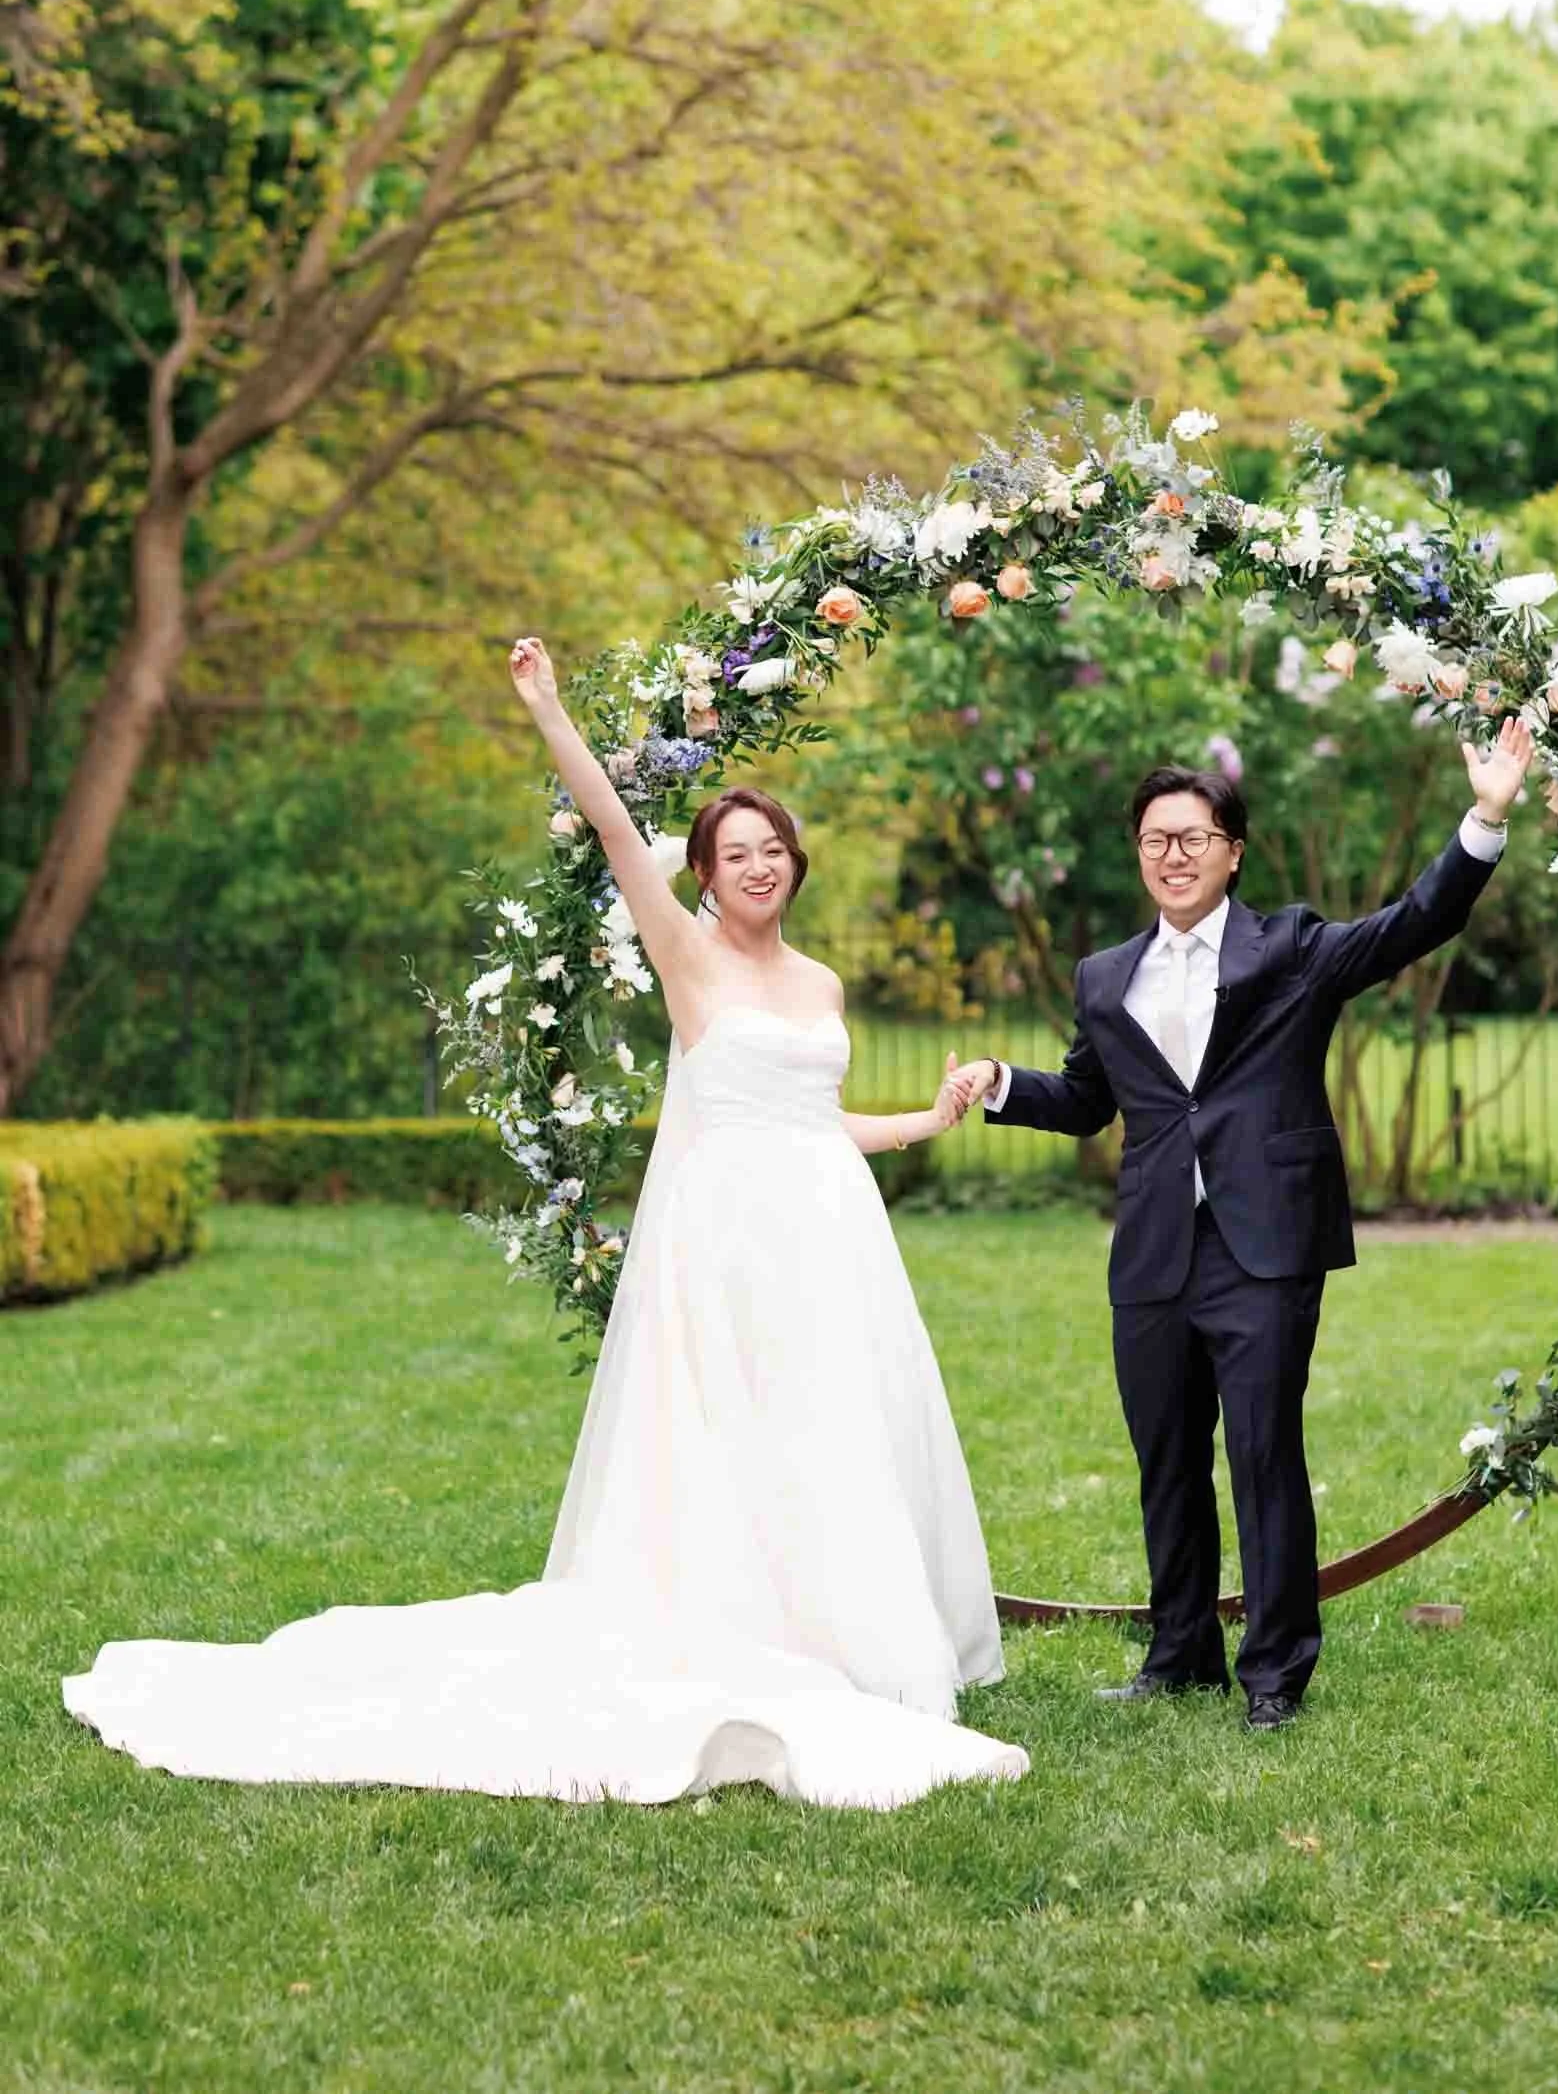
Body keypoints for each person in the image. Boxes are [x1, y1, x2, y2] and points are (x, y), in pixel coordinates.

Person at [62, 638, 1026, 1810]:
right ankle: (733, 1628)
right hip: (722, 1245)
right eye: (734, 854)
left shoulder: (821, 986)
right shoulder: (686, 956)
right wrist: (550, 711)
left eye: (771, 849)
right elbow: (618, 832)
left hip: (827, 1241)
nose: (757, 867)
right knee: (729, 1434)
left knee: (828, 1425)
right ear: (708, 878)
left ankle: (843, 1635)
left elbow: (812, 1123)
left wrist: (921, 1120)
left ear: (794, 863)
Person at [950, 719, 1534, 1732]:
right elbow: (1090, 1098)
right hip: (1150, 1251)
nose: (1170, 856)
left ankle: (1274, 1671)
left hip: (1262, 1243)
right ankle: (1178, 1653)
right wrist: (1003, 1085)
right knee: (1165, 1454)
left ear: (1231, 850)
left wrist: (1482, 817)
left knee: (1263, 1451)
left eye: (1190, 837)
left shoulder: (1294, 949)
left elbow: (1412, 921)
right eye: (1152, 840)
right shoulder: (1102, 976)